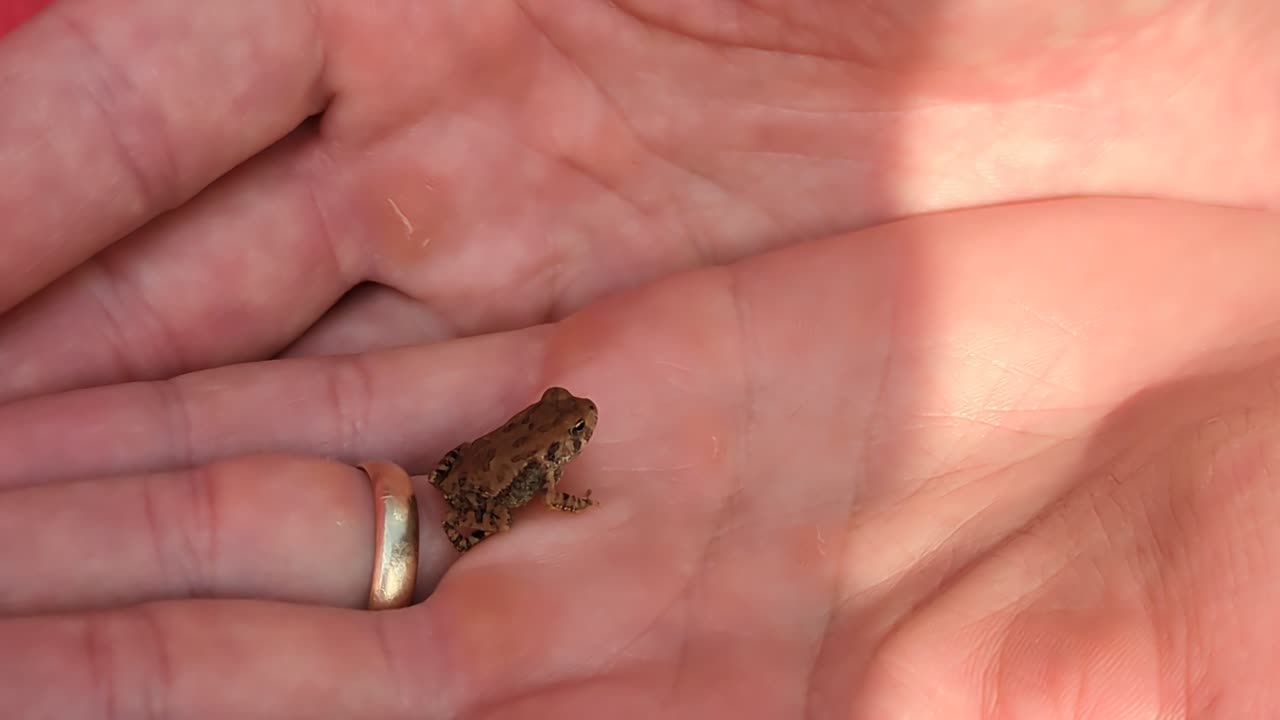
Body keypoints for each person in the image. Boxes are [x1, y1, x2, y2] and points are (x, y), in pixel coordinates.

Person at [1, 1, 1278, 717]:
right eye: (566, 434)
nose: (572, 434)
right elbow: (497, 484)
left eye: (565, 433)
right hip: (454, 491)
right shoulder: (538, 467)